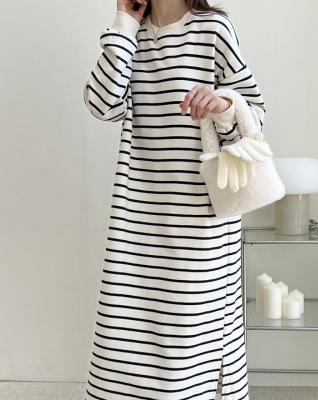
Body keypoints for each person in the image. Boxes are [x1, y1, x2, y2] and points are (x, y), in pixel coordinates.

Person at [83, 0, 265, 399]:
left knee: (188, 339)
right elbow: (102, 105)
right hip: (138, 213)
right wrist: (124, 22)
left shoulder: (213, 29)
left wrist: (223, 106)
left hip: (200, 218)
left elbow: (256, 115)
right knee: (125, 333)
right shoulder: (131, 34)